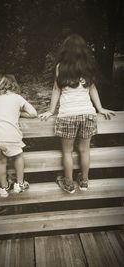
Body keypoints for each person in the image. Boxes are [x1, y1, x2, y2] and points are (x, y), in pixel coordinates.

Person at [39, 34, 115, 193]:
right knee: (84, 150)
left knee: (67, 151)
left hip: (67, 115)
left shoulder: (61, 66)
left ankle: (68, 184)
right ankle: (85, 182)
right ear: (83, 50)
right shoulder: (87, 65)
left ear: (65, 50)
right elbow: (92, 88)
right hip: (87, 114)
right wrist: (100, 108)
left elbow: (56, 89)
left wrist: (51, 111)